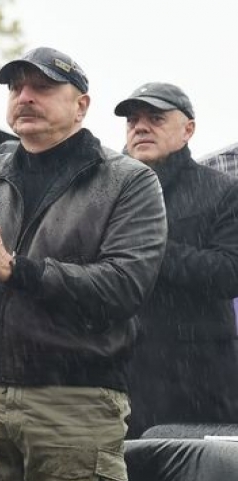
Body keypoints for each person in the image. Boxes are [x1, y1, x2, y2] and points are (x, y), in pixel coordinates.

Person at [0, 47, 168, 481]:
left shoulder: (128, 181)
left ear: (81, 104)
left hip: (74, 401)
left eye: (42, 87)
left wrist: (18, 271)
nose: (24, 96)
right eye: (15, 87)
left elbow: (123, 288)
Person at [114, 82, 238, 438]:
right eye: (133, 120)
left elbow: (229, 273)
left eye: (155, 118)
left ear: (188, 130)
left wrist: (152, 249)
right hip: (120, 376)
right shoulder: (107, 190)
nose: (140, 127)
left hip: (200, 381)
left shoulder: (222, 190)